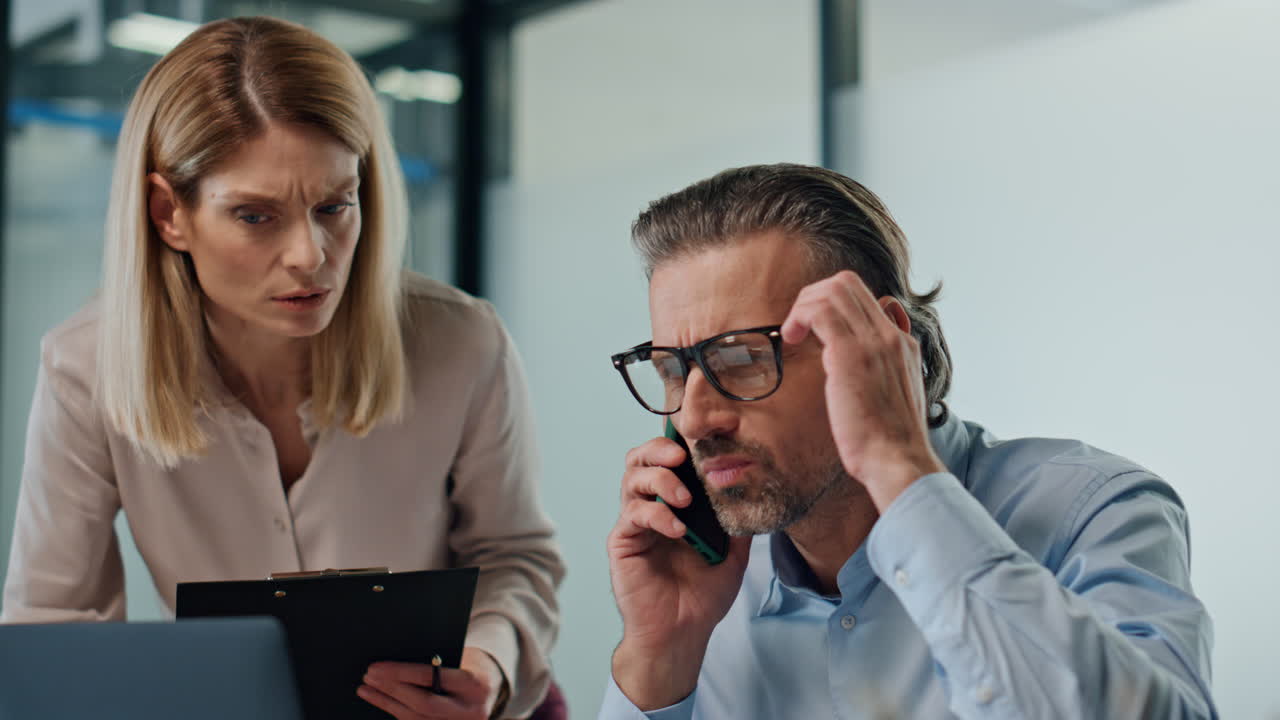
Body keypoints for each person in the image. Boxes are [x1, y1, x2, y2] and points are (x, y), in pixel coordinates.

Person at [0, 17, 563, 720]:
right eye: (256, 216)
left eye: (335, 205)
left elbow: (516, 556)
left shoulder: (462, 343)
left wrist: (491, 665)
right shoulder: (83, 369)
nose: (310, 254)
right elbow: (53, 626)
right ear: (168, 213)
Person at [599, 164, 1215, 719]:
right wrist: (657, 662)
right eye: (673, 369)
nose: (695, 418)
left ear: (879, 341)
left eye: (742, 359)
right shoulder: (706, 580)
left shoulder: (1093, 509)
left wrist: (902, 473)